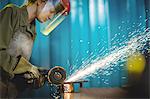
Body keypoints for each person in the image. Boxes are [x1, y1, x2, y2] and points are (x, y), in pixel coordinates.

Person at [0, 0, 70, 98]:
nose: (50, 17)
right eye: (51, 11)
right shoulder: (11, 13)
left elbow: (15, 69)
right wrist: (28, 68)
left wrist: (36, 76)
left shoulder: (32, 30)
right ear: (40, 2)